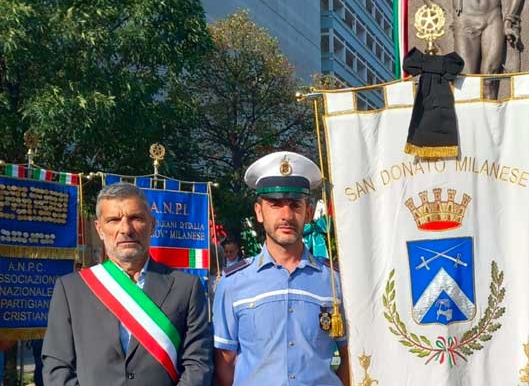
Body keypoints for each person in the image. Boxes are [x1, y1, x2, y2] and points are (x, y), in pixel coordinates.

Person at [42, 182, 212, 386]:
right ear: (99, 229)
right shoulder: (71, 289)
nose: (126, 229)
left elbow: (197, 364)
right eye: (113, 220)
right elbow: (57, 366)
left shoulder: (186, 287)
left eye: (136, 218)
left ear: (152, 224)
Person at [213, 151, 350, 386]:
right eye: (275, 204)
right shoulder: (232, 284)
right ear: (259, 212)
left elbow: (351, 358)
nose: (286, 215)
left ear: (308, 212)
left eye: (295, 205)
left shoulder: (336, 282)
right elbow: (225, 363)